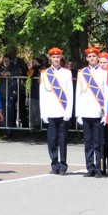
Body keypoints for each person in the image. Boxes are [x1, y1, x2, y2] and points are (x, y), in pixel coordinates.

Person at [40, 48, 74, 176]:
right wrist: (43, 114)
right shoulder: (45, 73)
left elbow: (70, 94)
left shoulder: (67, 73)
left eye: (58, 57)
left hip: (62, 111)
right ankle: (54, 164)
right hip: (50, 111)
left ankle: (63, 164)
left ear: (61, 58)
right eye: (54, 57)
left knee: (63, 140)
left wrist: (68, 112)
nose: (56, 59)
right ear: (50, 58)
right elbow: (42, 95)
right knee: (52, 140)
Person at [75, 48, 105, 177]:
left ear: (98, 58)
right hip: (86, 112)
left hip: (98, 112)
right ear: (87, 58)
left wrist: (106, 113)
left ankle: (98, 168)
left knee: (98, 142)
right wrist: (78, 114)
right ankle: (90, 168)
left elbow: (107, 93)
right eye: (90, 56)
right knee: (88, 143)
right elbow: (79, 94)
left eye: (94, 56)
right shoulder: (82, 73)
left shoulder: (104, 73)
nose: (92, 58)